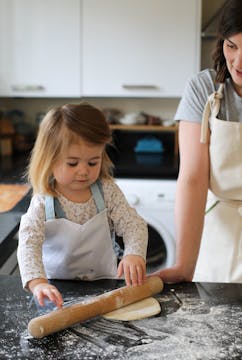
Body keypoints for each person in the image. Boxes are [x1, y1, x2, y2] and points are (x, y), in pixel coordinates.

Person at [17, 102, 148, 308]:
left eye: (93, 162)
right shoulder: (44, 200)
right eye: (72, 163)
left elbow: (134, 225)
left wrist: (133, 253)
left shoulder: (107, 191)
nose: (83, 171)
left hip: (105, 286)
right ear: (49, 159)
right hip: (57, 293)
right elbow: (28, 243)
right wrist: (38, 283)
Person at [153, 0, 242, 283]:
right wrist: (184, 265)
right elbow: (193, 177)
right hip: (218, 239)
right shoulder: (203, 89)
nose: (238, 63)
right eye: (232, 46)